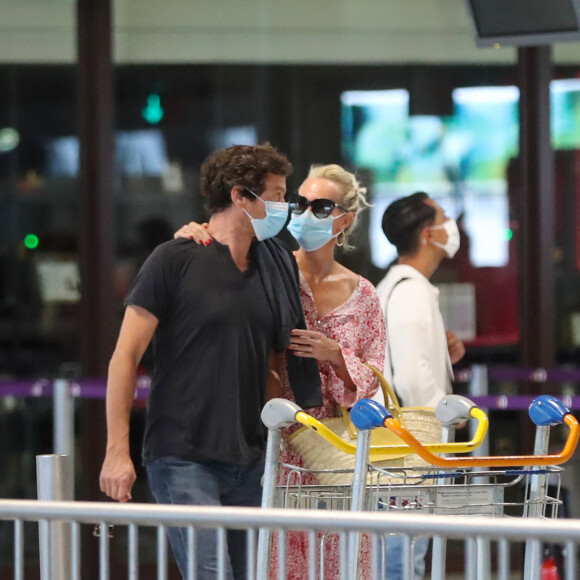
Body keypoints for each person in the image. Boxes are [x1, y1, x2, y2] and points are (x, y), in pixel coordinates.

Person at [99, 143, 321, 580]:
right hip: (184, 454)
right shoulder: (175, 258)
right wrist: (116, 452)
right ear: (240, 196)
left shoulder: (272, 262)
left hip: (248, 456)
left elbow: (276, 354)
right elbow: (124, 357)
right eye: (276, 194)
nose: (284, 206)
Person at [176, 163, 386, 579]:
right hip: (277, 445)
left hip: (339, 452)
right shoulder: (268, 268)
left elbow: (375, 376)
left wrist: (336, 355)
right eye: (300, 202)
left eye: (321, 207)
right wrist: (192, 234)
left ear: (346, 219)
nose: (306, 213)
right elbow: (222, 247)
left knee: (342, 560)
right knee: (277, 559)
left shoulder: (363, 295)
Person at [376, 191, 466, 580]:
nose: (452, 226)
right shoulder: (410, 291)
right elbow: (411, 378)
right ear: (428, 234)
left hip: (405, 447)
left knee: (404, 552)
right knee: (403, 556)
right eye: (445, 217)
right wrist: (446, 417)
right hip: (412, 450)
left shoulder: (404, 287)